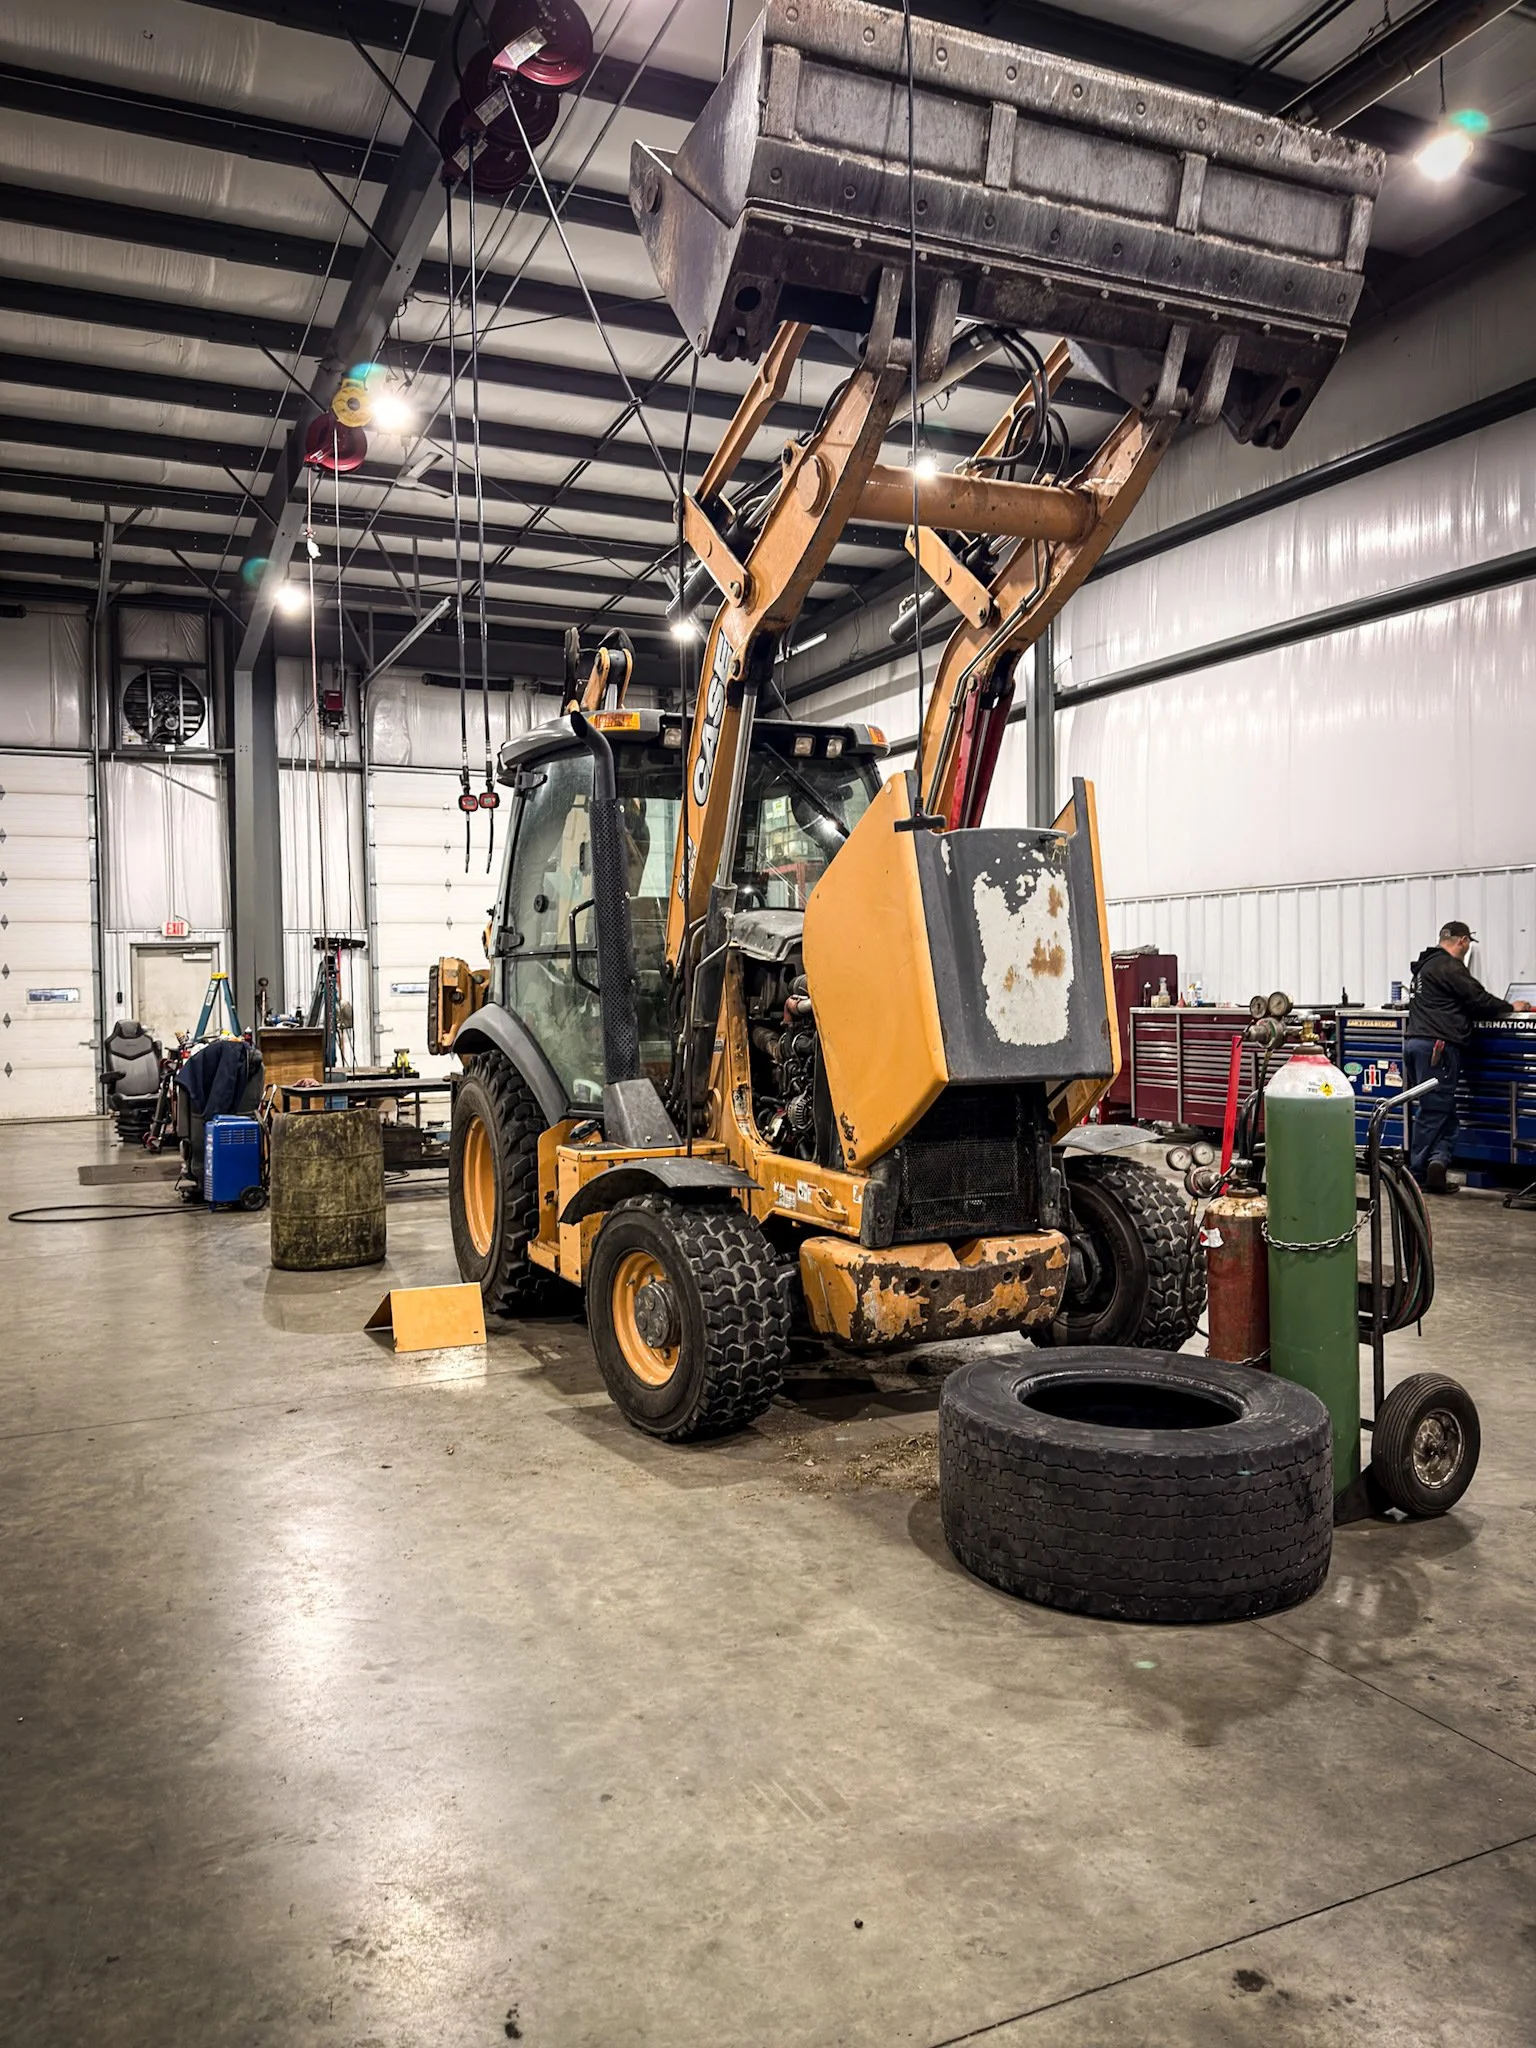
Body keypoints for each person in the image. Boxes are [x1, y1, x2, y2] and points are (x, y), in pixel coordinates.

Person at [1404, 922, 1532, 1193]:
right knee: (1434, 1111)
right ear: (1462, 941)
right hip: (1437, 1047)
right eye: (1468, 943)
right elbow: (1479, 1000)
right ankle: (1415, 1174)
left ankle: (1436, 1165)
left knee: (1444, 1111)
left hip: (1417, 1044)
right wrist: (1511, 1007)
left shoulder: (1424, 967)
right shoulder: (1449, 966)